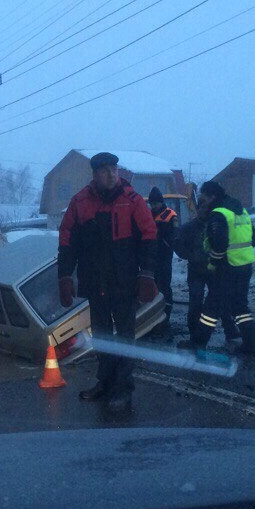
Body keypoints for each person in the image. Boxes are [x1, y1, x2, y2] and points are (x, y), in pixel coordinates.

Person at [58, 151, 158, 411]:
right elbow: (67, 240)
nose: (111, 174)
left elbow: (149, 236)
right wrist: (65, 275)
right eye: (105, 170)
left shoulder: (132, 200)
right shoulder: (80, 202)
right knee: (101, 334)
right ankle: (105, 382)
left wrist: (147, 272)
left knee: (125, 335)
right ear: (95, 174)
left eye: (114, 169)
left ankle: (123, 388)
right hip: (94, 280)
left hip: (124, 280)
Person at [193, 180, 255, 356]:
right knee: (240, 306)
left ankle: (198, 344)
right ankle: (251, 344)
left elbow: (219, 244)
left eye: (204, 197)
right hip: (245, 265)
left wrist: (213, 264)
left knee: (211, 307)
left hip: (227, 268)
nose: (202, 201)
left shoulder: (219, 213)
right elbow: (254, 238)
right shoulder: (241, 210)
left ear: (212, 196)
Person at [174, 196, 239, 349]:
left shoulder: (215, 224)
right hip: (196, 271)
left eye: (208, 208)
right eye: (203, 208)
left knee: (220, 301)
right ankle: (194, 335)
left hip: (214, 270)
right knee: (196, 301)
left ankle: (230, 330)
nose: (206, 211)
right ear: (198, 210)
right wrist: (190, 256)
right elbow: (177, 243)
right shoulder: (189, 227)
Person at [146, 187, 178, 338]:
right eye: (152, 204)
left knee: (165, 288)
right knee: (152, 288)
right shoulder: (148, 215)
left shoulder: (170, 215)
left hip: (164, 258)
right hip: (151, 258)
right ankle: (153, 318)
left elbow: (173, 237)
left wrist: (162, 242)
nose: (154, 207)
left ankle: (165, 319)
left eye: (156, 204)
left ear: (161, 202)